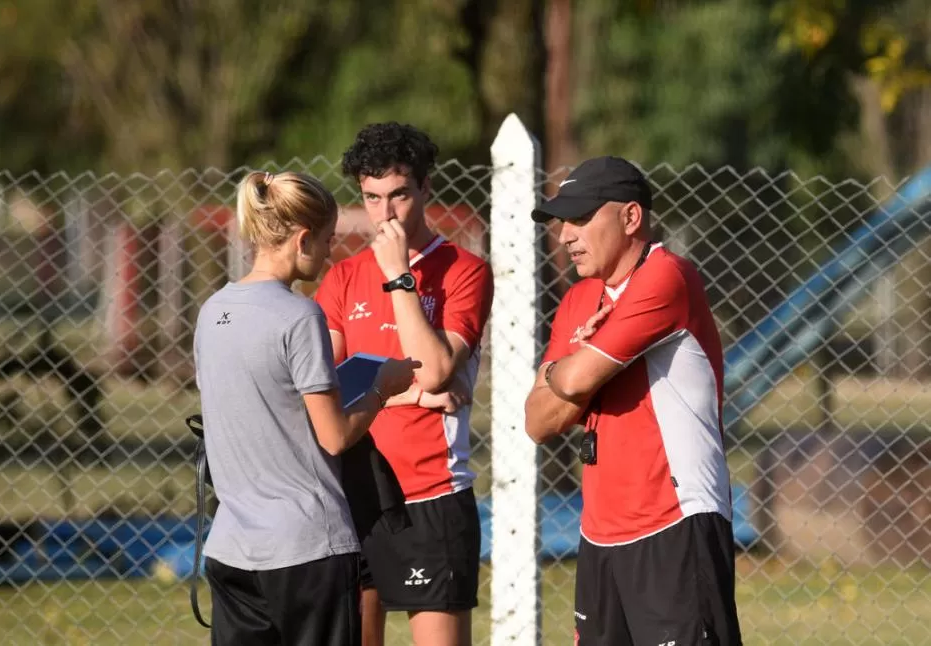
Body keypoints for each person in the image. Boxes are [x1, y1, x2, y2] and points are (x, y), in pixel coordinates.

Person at [193, 170, 420, 646]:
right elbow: (334, 436)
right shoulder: (300, 315)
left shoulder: (212, 310)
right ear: (301, 240)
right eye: (327, 240)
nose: (330, 252)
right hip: (307, 551)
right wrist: (380, 387)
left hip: (232, 549)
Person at [524, 156, 743, 646]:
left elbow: (573, 383)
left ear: (630, 218)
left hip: (676, 521)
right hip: (600, 531)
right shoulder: (580, 299)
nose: (565, 236)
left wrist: (566, 372)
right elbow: (538, 421)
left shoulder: (667, 276)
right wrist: (577, 371)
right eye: (563, 223)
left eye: (581, 219)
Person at [315, 122, 494, 646]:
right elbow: (325, 387)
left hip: (430, 495)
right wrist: (411, 392)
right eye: (371, 198)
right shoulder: (343, 277)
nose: (385, 213)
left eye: (398, 195)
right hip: (354, 497)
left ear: (425, 189)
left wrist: (398, 277)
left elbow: (437, 367)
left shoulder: (465, 270)